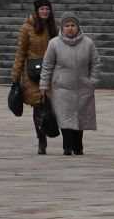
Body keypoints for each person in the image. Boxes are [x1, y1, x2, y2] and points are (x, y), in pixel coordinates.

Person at [40, 12, 101, 156]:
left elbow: (96, 63)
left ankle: (78, 146)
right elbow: (47, 65)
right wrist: (44, 86)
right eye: (67, 25)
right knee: (65, 117)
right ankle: (67, 146)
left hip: (83, 87)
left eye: (73, 25)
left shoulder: (88, 43)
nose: (70, 28)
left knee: (81, 117)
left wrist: (92, 81)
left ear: (78, 27)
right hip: (62, 87)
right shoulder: (54, 43)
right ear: (62, 27)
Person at [11, 0, 59, 154]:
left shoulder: (53, 27)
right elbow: (21, 51)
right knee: (39, 104)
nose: (45, 12)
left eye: (47, 9)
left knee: (50, 104)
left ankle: (49, 129)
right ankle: (41, 139)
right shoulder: (27, 28)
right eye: (42, 9)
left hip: (51, 70)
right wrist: (16, 72)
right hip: (32, 72)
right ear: (37, 11)